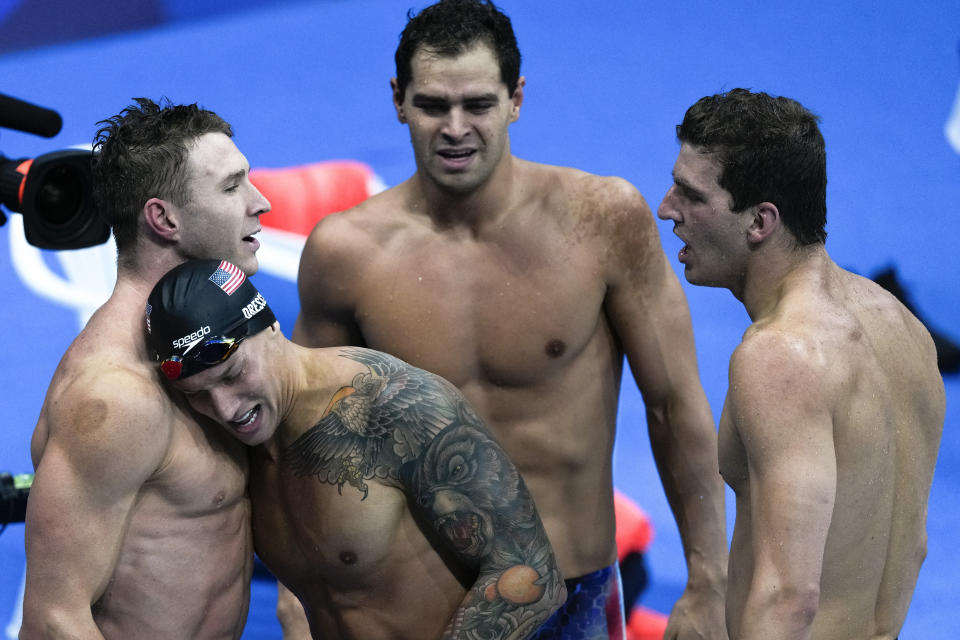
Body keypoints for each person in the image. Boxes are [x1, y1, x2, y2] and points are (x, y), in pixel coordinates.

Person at [293, 1, 728, 637]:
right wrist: (298, 589)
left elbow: (673, 404)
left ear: (516, 99)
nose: (455, 127)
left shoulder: (601, 221)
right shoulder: (345, 254)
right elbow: (314, 441)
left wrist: (709, 577)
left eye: (478, 104)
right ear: (398, 100)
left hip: (570, 592)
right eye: (434, 105)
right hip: (419, 598)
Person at [144, 258, 566, 639]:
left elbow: (531, 573)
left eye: (233, 374)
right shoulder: (232, 450)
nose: (225, 408)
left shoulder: (394, 405)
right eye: (197, 394)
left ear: (271, 326)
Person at [657, 88, 946, 639]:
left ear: (761, 222)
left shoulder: (777, 357)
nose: (667, 208)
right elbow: (912, 548)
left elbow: (789, 596)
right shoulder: (905, 329)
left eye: (691, 196)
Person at [21, 98, 271, 639]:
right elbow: (54, 621)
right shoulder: (113, 396)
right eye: (232, 187)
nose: (262, 203)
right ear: (163, 218)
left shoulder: (237, 323)